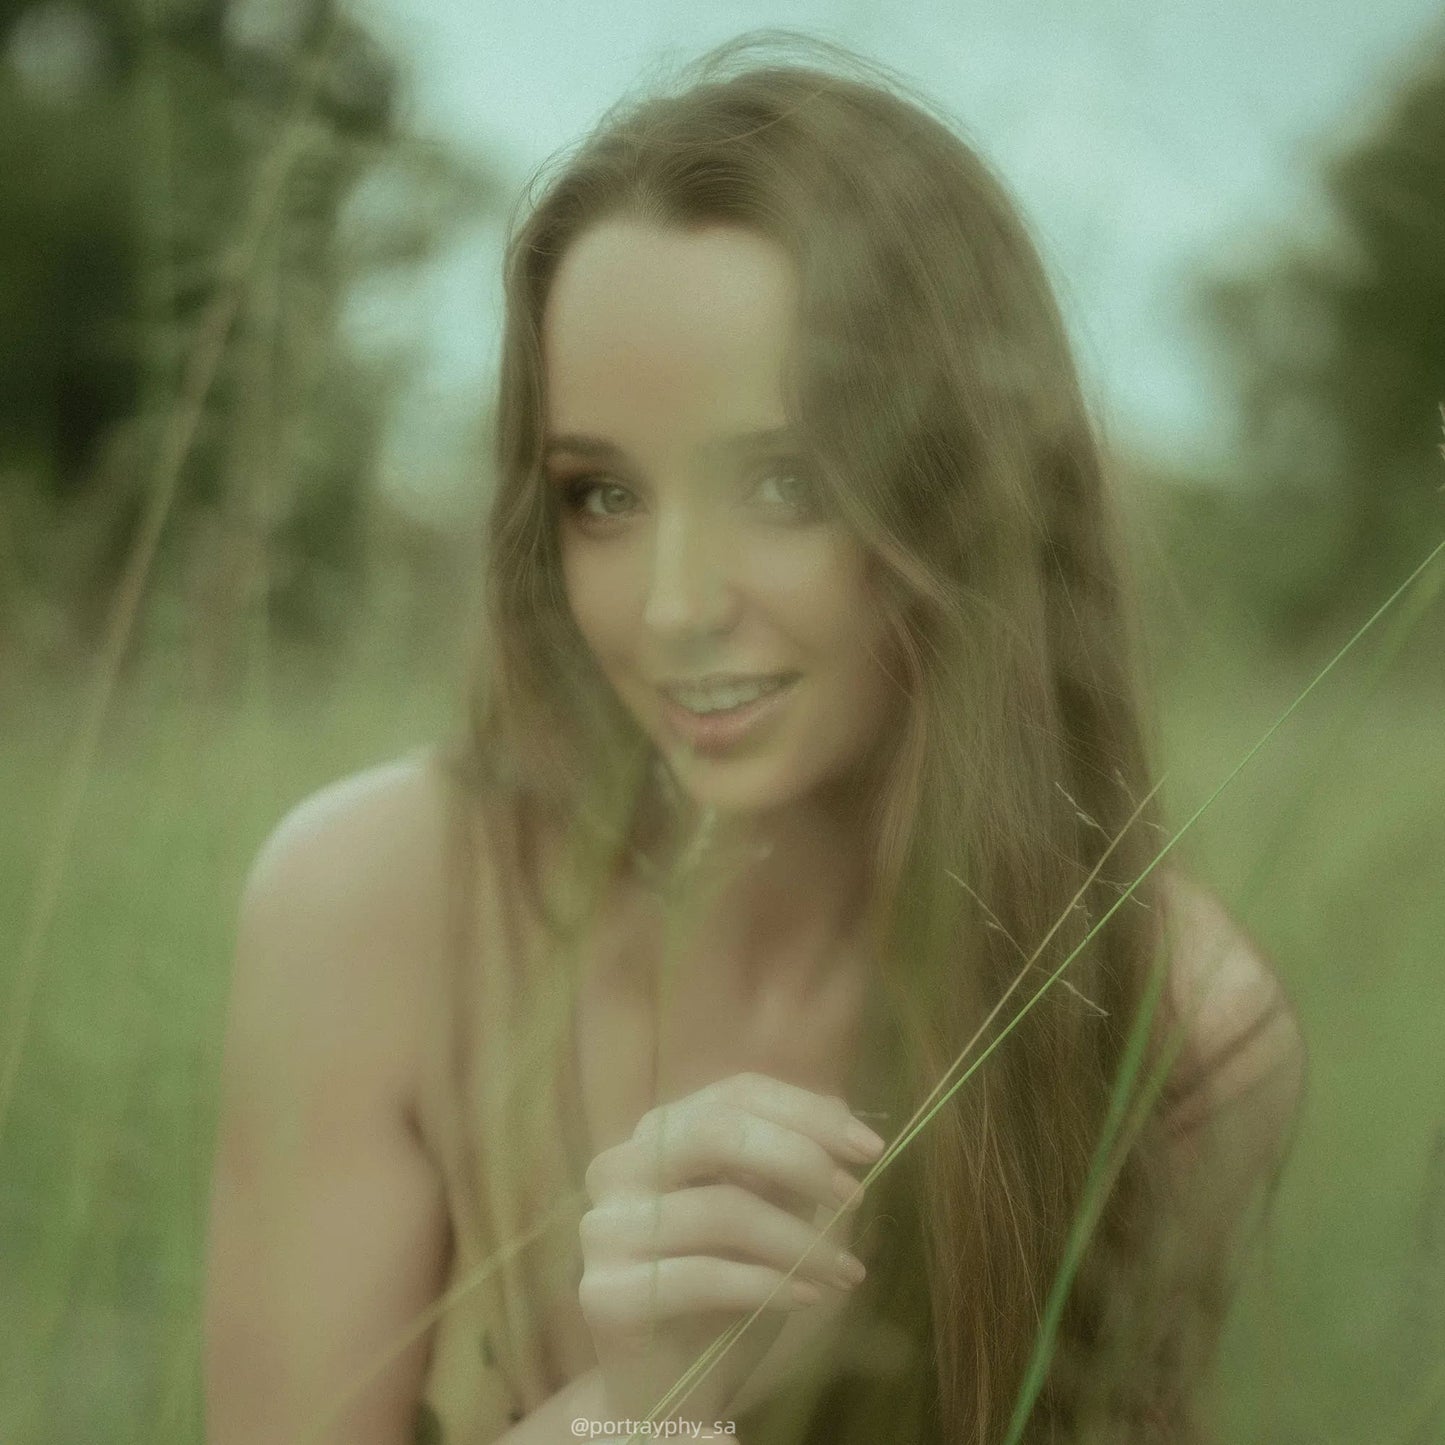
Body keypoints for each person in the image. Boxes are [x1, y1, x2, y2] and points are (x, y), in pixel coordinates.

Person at [202, 33, 1307, 1445]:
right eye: (602, 495)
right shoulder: (374, 905)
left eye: (782, 483)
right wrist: (645, 1399)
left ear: (966, 494)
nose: (673, 606)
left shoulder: (1179, 1027)